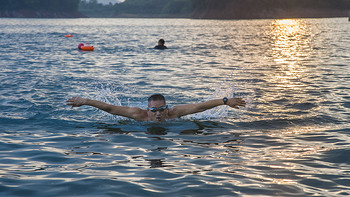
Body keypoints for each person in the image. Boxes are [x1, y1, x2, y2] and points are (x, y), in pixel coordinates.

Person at [66, 94, 246, 122]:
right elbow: (111, 109)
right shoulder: (139, 115)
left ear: (167, 108)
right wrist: (86, 101)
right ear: (147, 110)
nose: (158, 114)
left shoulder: (174, 113)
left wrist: (225, 101)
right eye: (154, 110)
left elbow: (200, 107)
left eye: (161, 110)